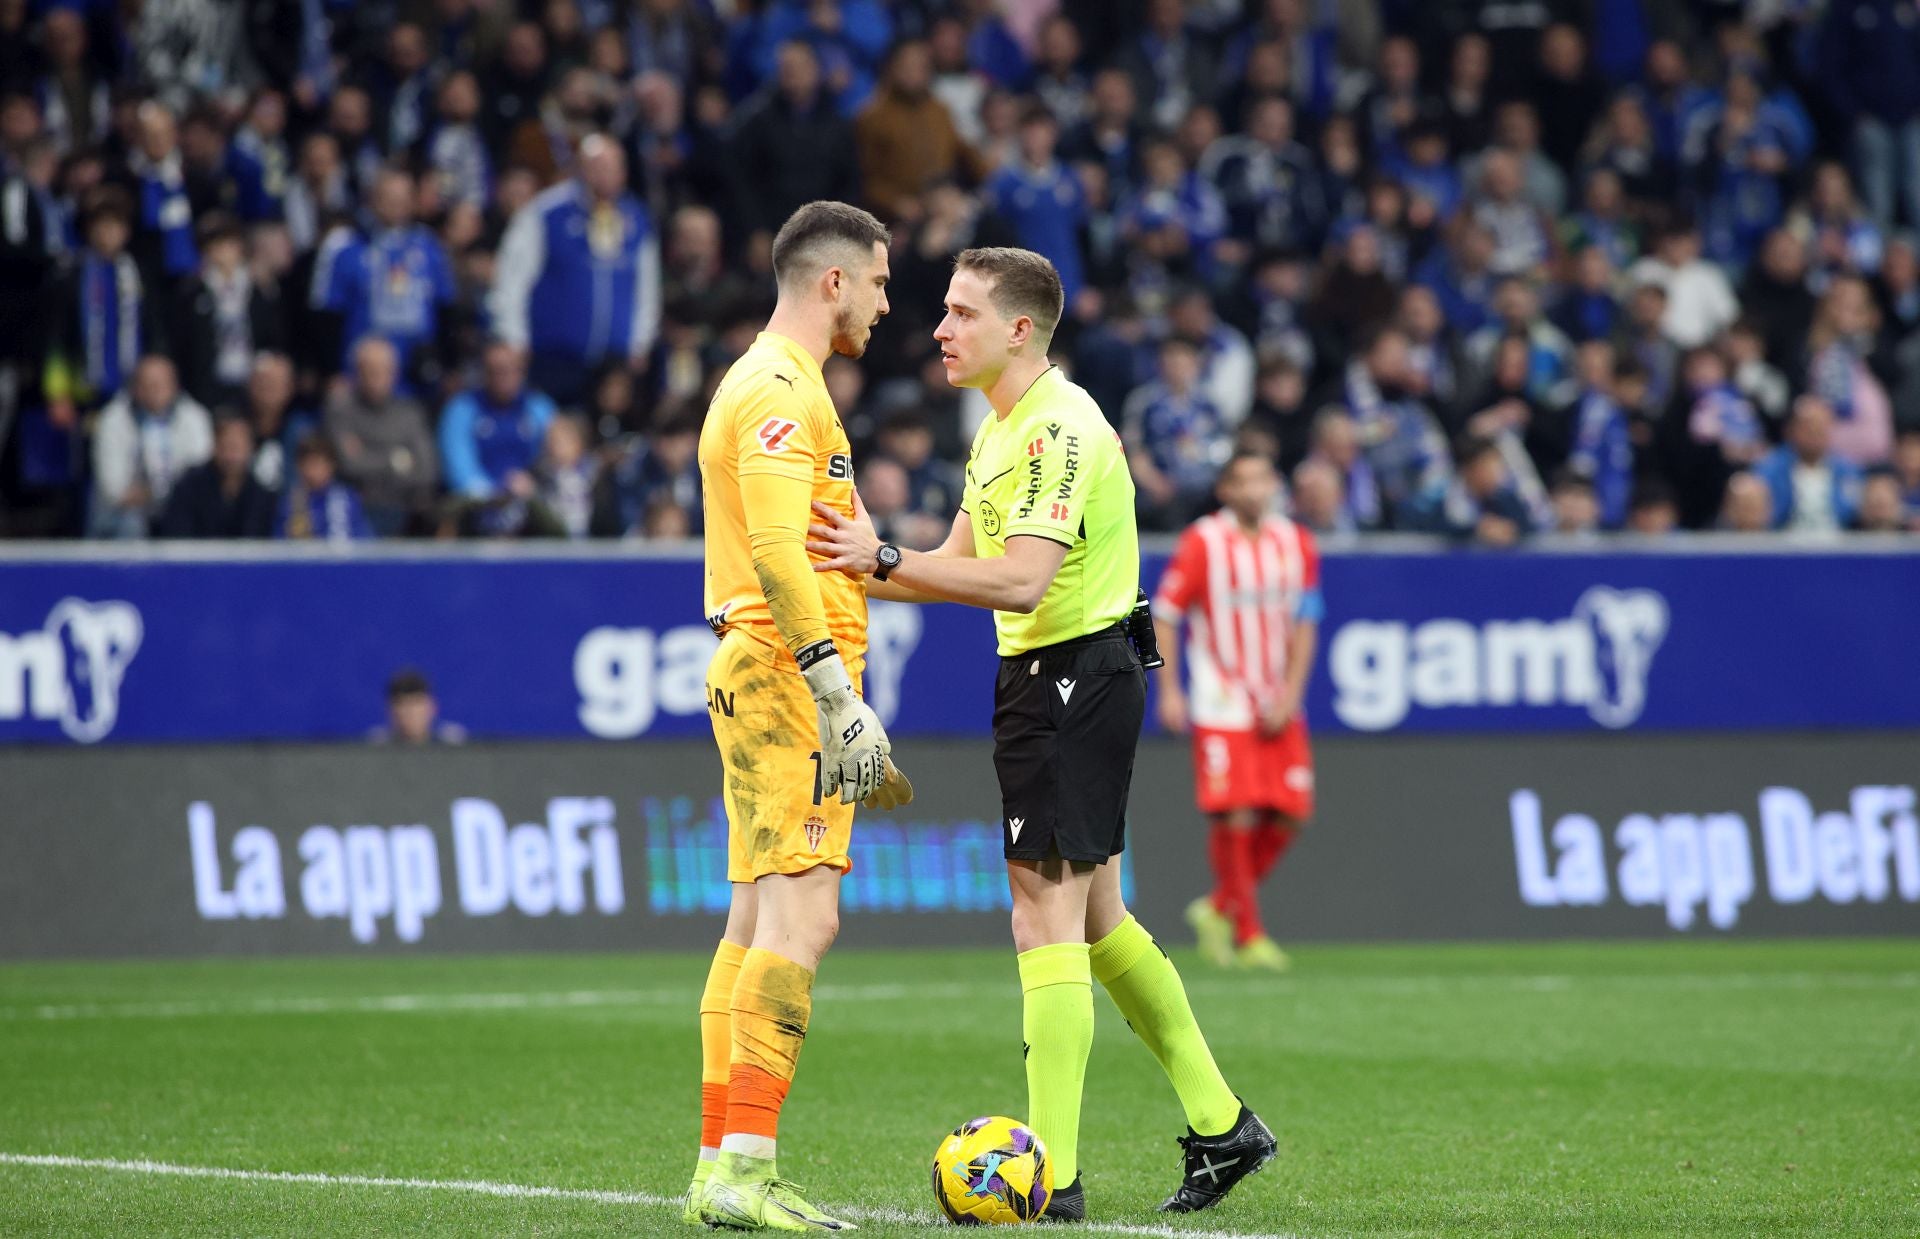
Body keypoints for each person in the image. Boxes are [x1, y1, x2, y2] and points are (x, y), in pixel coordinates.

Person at [809, 246, 1275, 1220]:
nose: (939, 328)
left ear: (1020, 330)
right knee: (1097, 919)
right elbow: (950, 567)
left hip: (1071, 678)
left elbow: (1021, 580)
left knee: (1042, 917)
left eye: (962, 312)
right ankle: (1223, 1125)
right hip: (1055, 679)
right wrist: (857, 552)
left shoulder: (1060, 429)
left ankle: (1050, 1181)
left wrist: (885, 553)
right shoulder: (1003, 430)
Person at [688, 200, 909, 1234]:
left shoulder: (771, 381)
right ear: (833, 283)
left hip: (762, 669)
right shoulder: (780, 388)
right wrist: (833, 690)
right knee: (803, 919)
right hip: (784, 674)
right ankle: (747, 1163)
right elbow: (780, 551)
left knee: (751, 922)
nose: (885, 300)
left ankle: (715, 1167)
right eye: (878, 280)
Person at [1152, 450, 1322, 972]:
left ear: (1275, 484)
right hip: (1221, 699)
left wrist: (1292, 692)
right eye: (1242, 480)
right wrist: (1170, 690)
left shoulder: (1296, 542)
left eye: (1262, 478)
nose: (1254, 489)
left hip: (1276, 699)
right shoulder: (1203, 541)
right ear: (1225, 490)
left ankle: (1217, 906)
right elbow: (1164, 614)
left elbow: (1306, 619)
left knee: (1293, 812)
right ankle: (1249, 933)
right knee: (1238, 812)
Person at [489, 134, 661, 406]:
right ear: (580, 169)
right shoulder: (547, 213)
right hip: (552, 357)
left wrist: (640, 343)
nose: (604, 176)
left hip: (613, 363)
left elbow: (647, 287)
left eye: (612, 167)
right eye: (596, 167)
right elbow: (512, 280)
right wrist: (513, 337)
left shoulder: (636, 219)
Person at [155, 415, 277, 538]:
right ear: (214, 446)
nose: (231, 456)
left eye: (236, 448)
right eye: (225, 446)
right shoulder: (189, 487)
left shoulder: (261, 495)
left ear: (251, 448)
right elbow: (177, 534)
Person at [369, 667, 468, 744]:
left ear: (432, 707)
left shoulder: (452, 742)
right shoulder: (377, 745)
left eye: (416, 704)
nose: (410, 713)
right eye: (402, 705)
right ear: (390, 710)